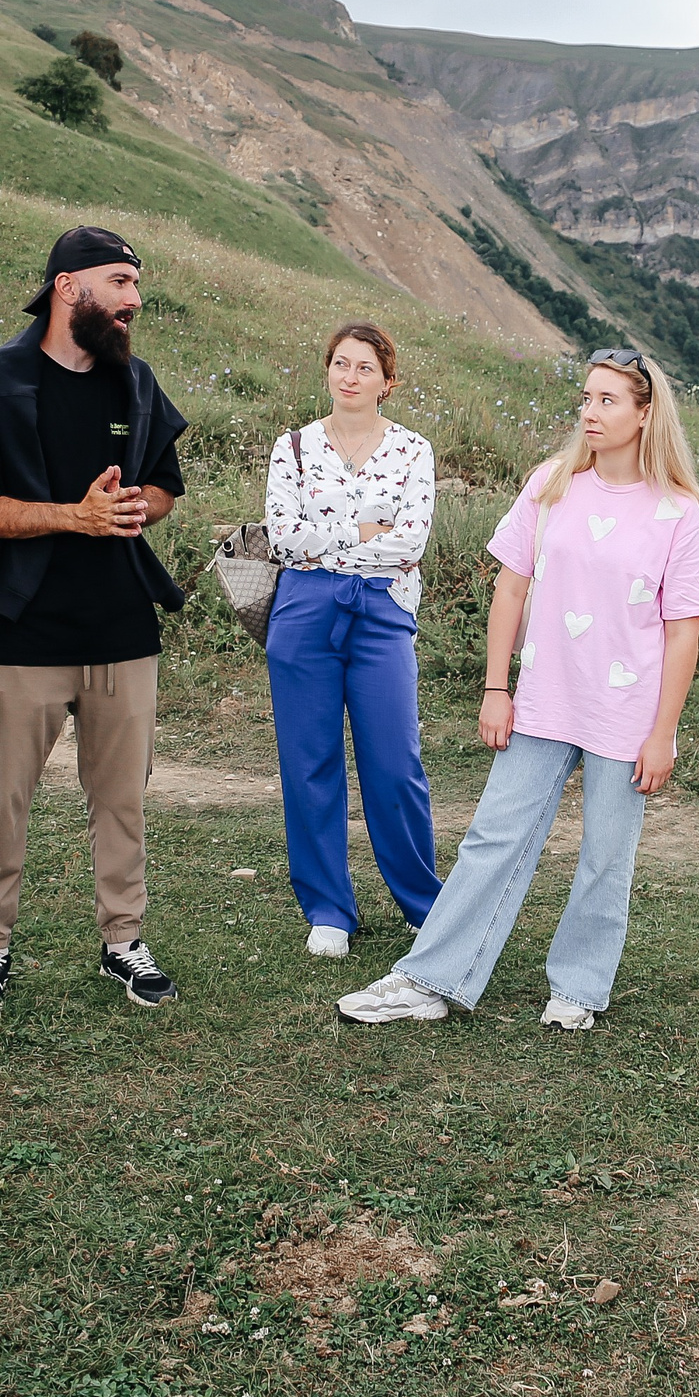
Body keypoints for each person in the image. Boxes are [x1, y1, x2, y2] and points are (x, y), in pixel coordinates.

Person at [337, 348, 699, 1030]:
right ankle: (430, 979)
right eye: (587, 397)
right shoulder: (552, 482)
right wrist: (495, 687)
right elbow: (511, 587)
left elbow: (683, 632)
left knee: (606, 855)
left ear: (645, 412)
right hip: (545, 697)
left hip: (627, 715)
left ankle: (577, 988)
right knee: (492, 839)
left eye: (607, 400)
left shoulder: (678, 512)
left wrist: (663, 732)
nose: (590, 412)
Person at [0, 226, 190, 1014]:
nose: (133, 302)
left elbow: (166, 485)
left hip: (122, 629)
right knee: (2, 798)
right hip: (23, 632)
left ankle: (124, 940)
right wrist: (71, 518)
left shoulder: (133, 384)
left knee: (123, 798)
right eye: (120, 284)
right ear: (68, 287)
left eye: (136, 287)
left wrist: (142, 503)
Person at [265, 323, 443, 959]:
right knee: (309, 761)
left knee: (394, 763)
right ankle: (329, 909)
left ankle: (424, 903)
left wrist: (334, 535)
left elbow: (411, 543)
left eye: (365, 368)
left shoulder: (413, 451)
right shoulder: (293, 447)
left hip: (383, 610)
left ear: (387, 382)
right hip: (303, 609)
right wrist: (368, 530)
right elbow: (283, 537)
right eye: (340, 363)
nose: (350, 376)